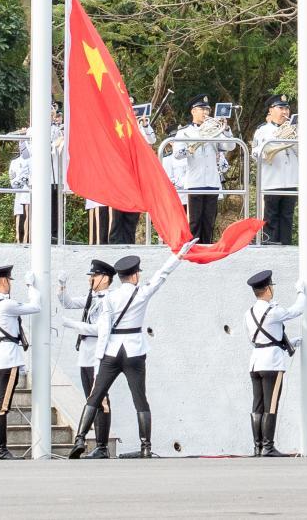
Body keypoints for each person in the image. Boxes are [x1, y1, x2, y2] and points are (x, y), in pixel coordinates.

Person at [69, 240, 197, 459]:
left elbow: (104, 330)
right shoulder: (142, 293)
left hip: (111, 350)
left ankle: (80, 439)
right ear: (135, 275)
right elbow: (162, 275)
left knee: (95, 395)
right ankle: (145, 446)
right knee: (140, 398)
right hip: (134, 351)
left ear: (119, 277)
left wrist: (99, 361)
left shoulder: (109, 297)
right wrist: (178, 255)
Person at [58, 260, 117, 458]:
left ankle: (102, 446)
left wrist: (71, 325)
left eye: (94, 276)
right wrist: (62, 285)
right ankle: (97, 446)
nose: (90, 279)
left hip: (97, 355)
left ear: (105, 278)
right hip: (85, 355)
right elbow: (67, 303)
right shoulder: (92, 297)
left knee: (101, 400)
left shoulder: (109, 300)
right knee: (91, 399)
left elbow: (98, 329)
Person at [0, 265, 40, 460]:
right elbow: (35, 306)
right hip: (7, 358)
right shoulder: (7, 304)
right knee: (2, 406)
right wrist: (31, 286)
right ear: (5, 281)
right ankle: (0, 449)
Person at [244, 270, 304, 457]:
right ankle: (268, 447)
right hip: (272, 363)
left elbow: (257, 338)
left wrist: (290, 342)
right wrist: (301, 292)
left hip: (255, 361)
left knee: (258, 405)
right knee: (270, 405)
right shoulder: (273, 310)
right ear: (268, 289)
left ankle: (258, 446)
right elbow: (297, 310)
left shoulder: (249, 312)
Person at [172, 95, 234, 244]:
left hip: (212, 181)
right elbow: (177, 154)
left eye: (208, 109)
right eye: (202, 109)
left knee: (209, 221)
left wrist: (226, 130)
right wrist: (190, 148)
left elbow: (230, 146)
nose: (206, 112)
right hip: (195, 182)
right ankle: (193, 250)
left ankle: (207, 249)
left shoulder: (216, 130)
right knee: (194, 222)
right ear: (193, 111)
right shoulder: (184, 132)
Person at [251, 94, 298, 245]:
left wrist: (295, 136)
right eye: (281, 108)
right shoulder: (263, 130)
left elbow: (302, 152)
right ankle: (270, 244)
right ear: (271, 110)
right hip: (272, 180)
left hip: (290, 179)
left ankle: (286, 245)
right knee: (271, 217)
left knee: (287, 216)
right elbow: (255, 153)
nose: (285, 111)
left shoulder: (295, 129)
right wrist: (270, 150)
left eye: (287, 108)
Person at [110, 99, 158, 244]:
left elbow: (151, 140)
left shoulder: (139, 125)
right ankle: (115, 243)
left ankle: (129, 242)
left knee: (133, 212)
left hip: (136, 173)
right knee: (118, 212)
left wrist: (144, 124)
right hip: (120, 172)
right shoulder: (116, 122)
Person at [8, 152, 30, 244]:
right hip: (21, 191)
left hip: (31, 191)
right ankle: (19, 239)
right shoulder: (15, 162)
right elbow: (12, 178)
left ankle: (27, 239)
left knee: (29, 215)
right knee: (20, 214)